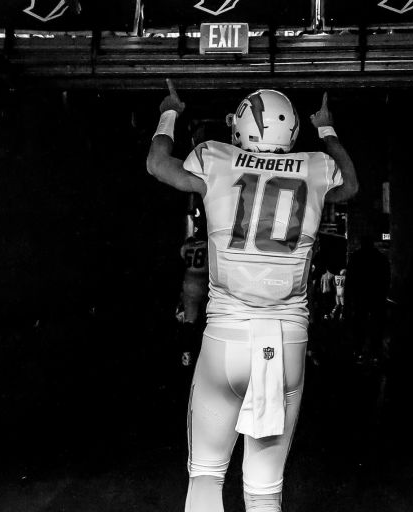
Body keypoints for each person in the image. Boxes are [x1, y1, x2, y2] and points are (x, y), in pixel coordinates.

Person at [147, 82, 359, 512]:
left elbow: (156, 164)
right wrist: (328, 130)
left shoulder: (215, 158)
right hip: (287, 343)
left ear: (240, 125)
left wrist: (169, 113)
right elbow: (349, 185)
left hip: (226, 336)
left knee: (206, 475)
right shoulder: (316, 167)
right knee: (264, 491)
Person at [345, 235, 390, 364]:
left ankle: (359, 352)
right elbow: (386, 278)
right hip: (376, 297)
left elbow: (350, 282)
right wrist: (383, 294)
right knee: (377, 326)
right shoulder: (381, 258)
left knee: (359, 325)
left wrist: (348, 302)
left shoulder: (355, 258)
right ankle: (375, 353)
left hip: (360, 297)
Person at [178, 214, 211, 368]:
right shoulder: (208, 246)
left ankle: (186, 355)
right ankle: (203, 355)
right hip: (203, 285)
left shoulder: (188, 246)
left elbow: (182, 257)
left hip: (189, 284)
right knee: (204, 321)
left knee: (189, 322)